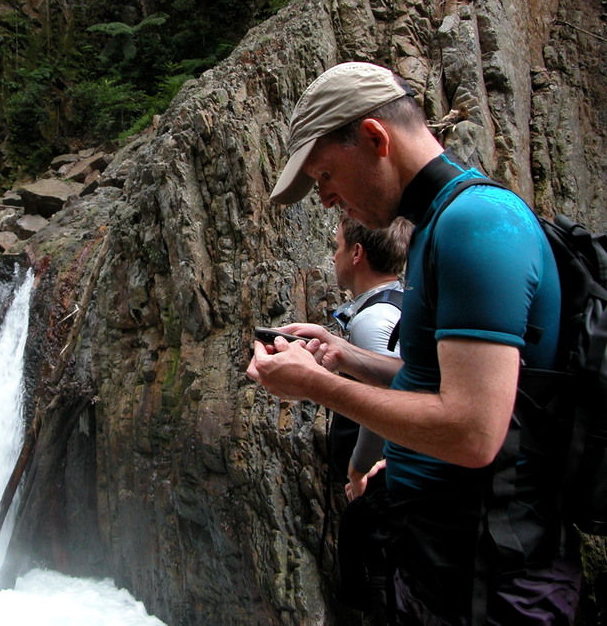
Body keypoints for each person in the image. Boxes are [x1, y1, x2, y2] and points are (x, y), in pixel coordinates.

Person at [246, 62, 580, 624]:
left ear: (375, 138)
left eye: (325, 175)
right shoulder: (439, 224)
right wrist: (344, 356)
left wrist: (317, 385)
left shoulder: (476, 223)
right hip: (446, 560)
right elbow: (436, 385)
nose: (325, 199)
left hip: (490, 582)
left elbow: (473, 432)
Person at [329, 215, 411, 502]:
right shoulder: (398, 298)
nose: (333, 256)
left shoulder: (373, 319)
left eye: (337, 247)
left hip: (382, 482)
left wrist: (359, 468)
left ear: (356, 253)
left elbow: (384, 400)